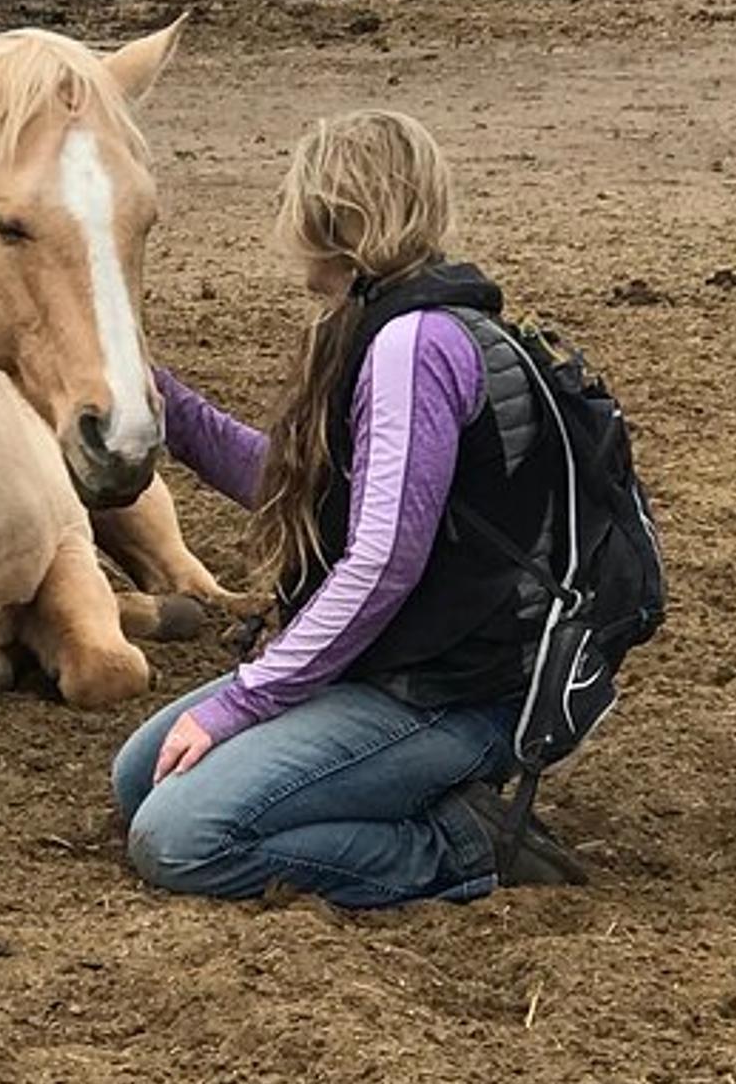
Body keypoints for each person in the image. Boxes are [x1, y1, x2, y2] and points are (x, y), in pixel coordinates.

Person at [112, 109, 588, 908]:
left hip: (446, 694)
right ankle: (396, 797)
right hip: (401, 667)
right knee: (140, 778)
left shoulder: (411, 348)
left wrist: (244, 701)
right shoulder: (398, 324)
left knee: (181, 838)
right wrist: (167, 407)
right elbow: (315, 495)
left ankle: (457, 844)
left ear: (331, 218)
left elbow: (381, 561)